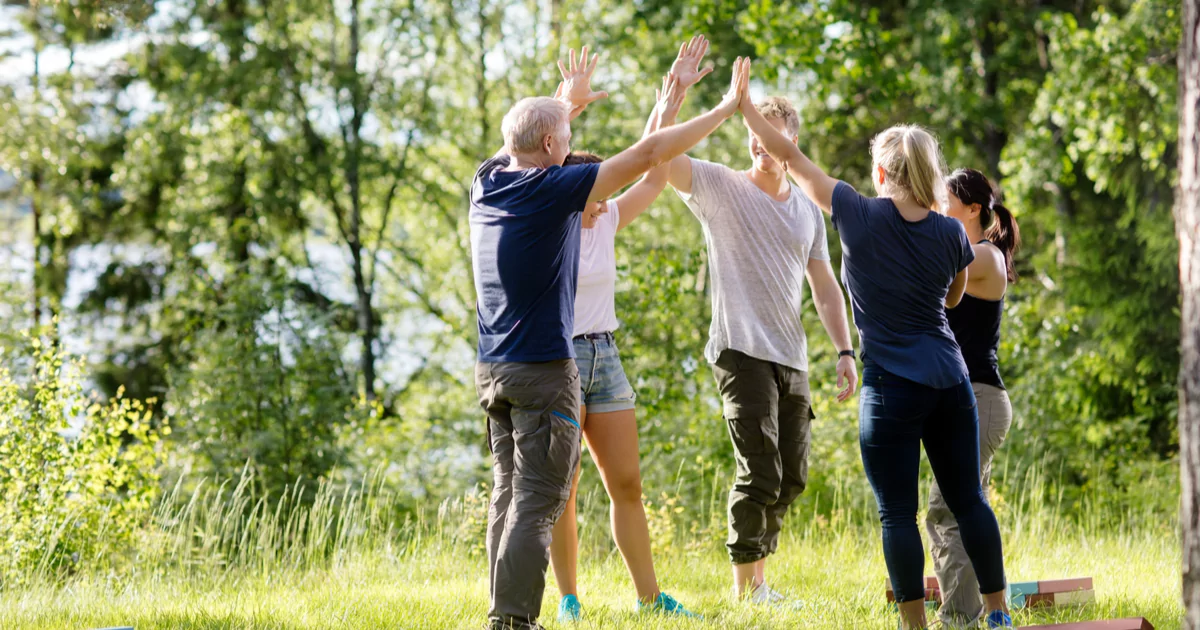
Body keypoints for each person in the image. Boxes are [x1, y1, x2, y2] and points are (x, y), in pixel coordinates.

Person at [469, 44, 750, 630]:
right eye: (563, 139)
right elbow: (650, 154)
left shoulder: (487, 180)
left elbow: (526, 138)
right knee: (538, 502)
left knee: (508, 490)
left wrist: (564, 102)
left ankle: (503, 610)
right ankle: (513, 621)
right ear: (552, 150)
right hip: (544, 368)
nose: (569, 145)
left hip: (493, 369)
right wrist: (726, 108)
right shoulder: (552, 193)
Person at [736, 60, 1014, 630]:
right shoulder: (948, 232)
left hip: (890, 384)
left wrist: (743, 107)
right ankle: (997, 615)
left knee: (897, 514)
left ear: (882, 174)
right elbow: (956, 299)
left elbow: (788, 158)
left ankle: (914, 626)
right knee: (969, 501)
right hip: (951, 379)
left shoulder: (856, 213)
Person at [661, 77, 858, 605]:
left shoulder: (806, 210)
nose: (762, 146)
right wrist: (681, 104)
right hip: (738, 349)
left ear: (790, 144)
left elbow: (824, 286)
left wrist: (844, 349)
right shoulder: (720, 186)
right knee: (760, 469)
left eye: (772, 138)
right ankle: (747, 590)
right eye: (754, 137)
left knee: (791, 475)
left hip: (791, 356)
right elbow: (659, 157)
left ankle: (759, 583)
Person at [548, 37, 713, 623]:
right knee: (561, 492)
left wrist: (673, 95)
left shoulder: (610, 217)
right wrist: (562, 105)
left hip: (605, 358)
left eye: (604, 190)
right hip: (558, 362)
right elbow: (528, 155)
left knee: (628, 484)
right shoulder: (552, 226)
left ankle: (650, 598)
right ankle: (569, 600)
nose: (604, 197)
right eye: (594, 191)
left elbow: (649, 162)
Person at [927, 167, 1021, 628]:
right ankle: (990, 612)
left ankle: (959, 617)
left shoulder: (984, 257)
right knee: (963, 504)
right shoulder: (971, 251)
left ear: (971, 209)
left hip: (980, 398)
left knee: (948, 507)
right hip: (969, 397)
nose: (936, 205)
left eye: (943, 199)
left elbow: (934, 283)